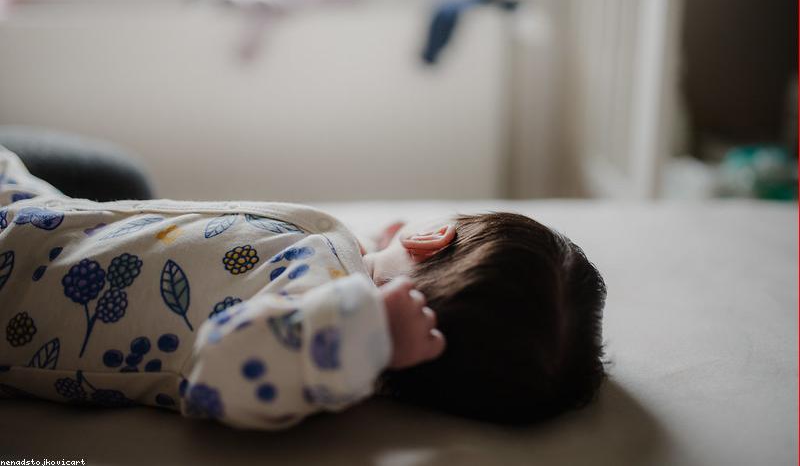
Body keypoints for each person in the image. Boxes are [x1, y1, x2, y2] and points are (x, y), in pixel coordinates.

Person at [0, 145, 606, 429]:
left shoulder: (326, 326)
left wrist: (372, 333)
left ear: (431, 237)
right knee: (118, 174)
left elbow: (224, 371)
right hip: (51, 221)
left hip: (17, 270)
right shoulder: (334, 279)